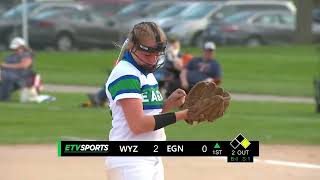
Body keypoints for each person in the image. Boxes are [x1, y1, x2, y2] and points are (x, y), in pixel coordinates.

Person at [105, 22, 189, 180]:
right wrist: (185, 115)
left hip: (151, 159)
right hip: (130, 161)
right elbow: (139, 125)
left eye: (157, 54)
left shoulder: (145, 73)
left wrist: (168, 104)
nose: (153, 60)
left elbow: (150, 116)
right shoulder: (126, 74)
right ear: (133, 47)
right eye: (147, 55)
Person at [0, 37, 34, 101]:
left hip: (20, 76)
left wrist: (5, 65)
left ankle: (4, 97)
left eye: (17, 48)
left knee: (6, 76)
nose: (15, 50)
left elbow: (24, 65)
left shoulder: (26, 55)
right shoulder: (10, 56)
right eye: (14, 48)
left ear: (22, 47)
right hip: (7, 76)